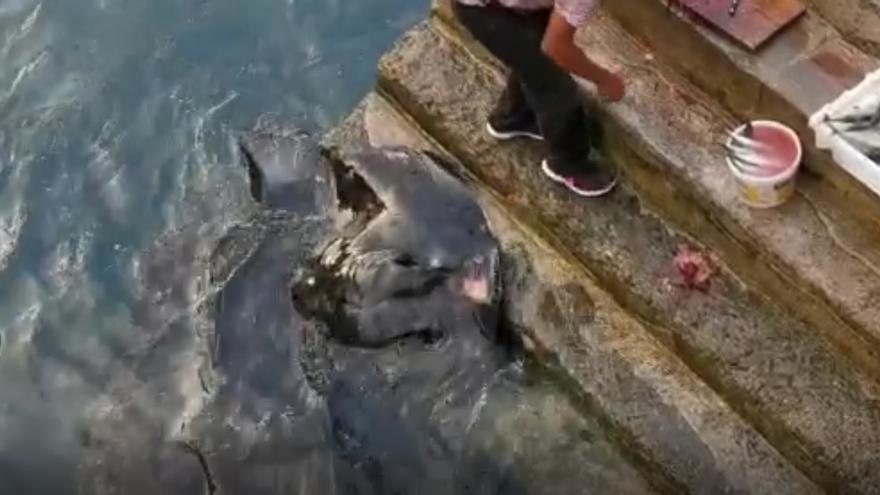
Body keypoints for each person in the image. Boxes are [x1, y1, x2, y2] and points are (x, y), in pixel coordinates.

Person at [453, 0, 625, 197]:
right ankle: (568, 164)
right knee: (555, 85)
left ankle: (516, 117)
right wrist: (604, 80)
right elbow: (556, 47)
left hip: (509, 7)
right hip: (481, 10)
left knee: (531, 58)